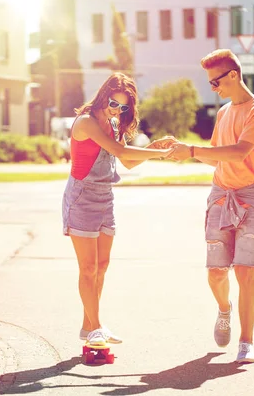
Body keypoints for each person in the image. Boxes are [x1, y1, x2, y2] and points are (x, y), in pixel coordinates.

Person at [169, 49, 254, 363]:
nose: (213, 89)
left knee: (245, 271)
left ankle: (246, 342)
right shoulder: (224, 113)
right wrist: (178, 150)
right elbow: (217, 156)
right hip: (220, 194)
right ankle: (224, 309)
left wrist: (191, 150)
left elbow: (240, 152)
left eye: (216, 82)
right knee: (217, 272)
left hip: (252, 196)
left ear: (233, 75)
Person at [63, 72, 175, 346]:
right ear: (103, 96)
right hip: (82, 198)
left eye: (124, 107)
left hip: (105, 197)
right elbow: (121, 153)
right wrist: (161, 154)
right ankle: (97, 327)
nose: (117, 110)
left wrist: (153, 147)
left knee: (102, 266)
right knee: (88, 268)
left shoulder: (113, 125)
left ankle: (88, 326)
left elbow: (128, 163)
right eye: (114, 103)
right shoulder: (87, 123)